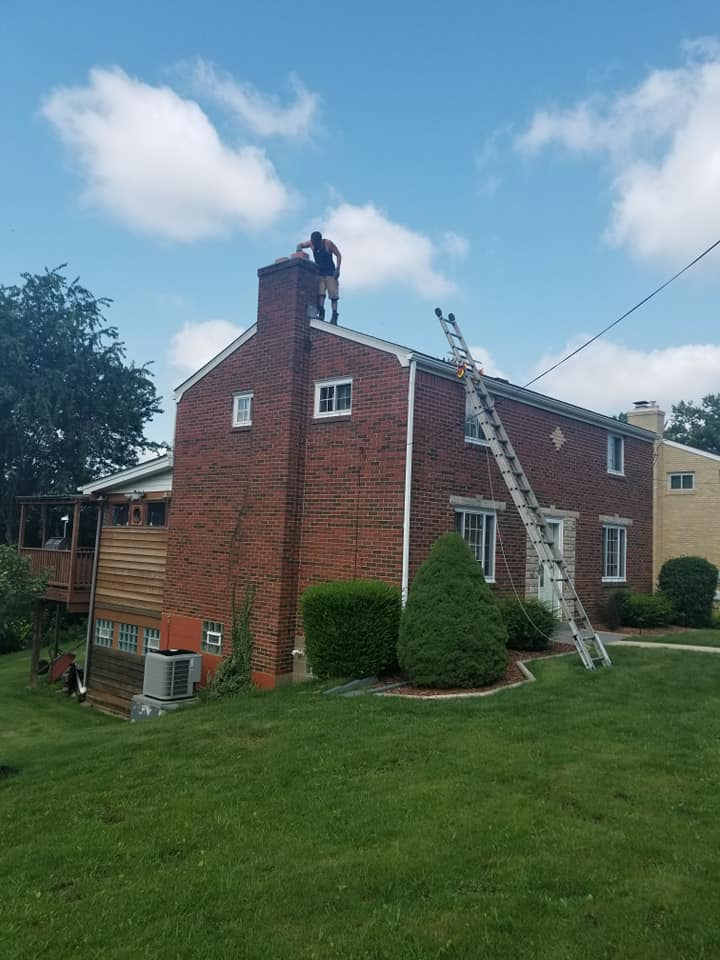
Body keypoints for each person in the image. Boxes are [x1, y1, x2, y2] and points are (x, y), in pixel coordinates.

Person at [296, 231, 342, 324]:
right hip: (320, 274)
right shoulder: (312, 244)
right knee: (320, 294)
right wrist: (299, 249)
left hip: (330, 273)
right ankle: (321, 313)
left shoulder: (327, 243)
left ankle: (334, 315)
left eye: (316, 242)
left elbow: (338, 254)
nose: (314, 244)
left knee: (333, 296)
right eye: (313, 242)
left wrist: (337, 269)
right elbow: (300, 245)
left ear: (320, 240)